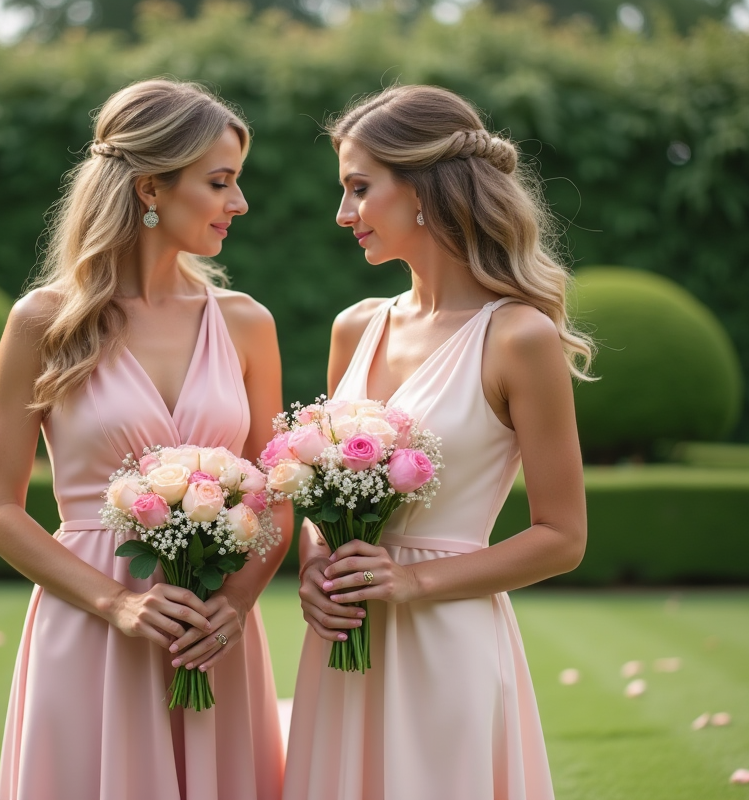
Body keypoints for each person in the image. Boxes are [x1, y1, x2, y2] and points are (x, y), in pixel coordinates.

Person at [0, 79, 288, 800]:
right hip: (90, 627)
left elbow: (274, 494)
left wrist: (236, 603)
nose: (239, 202)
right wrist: (115, 603)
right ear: (151, 188)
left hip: (212, 635)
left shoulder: (246, 323)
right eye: (220, 182)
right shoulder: (44, 322)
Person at [284, 85, 592, 800]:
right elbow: (324, 498)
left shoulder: (518, 338)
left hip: (447, 645)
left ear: (423, 189)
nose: (343, 214)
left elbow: (562, 537)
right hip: (342, 643)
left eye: (360, 188)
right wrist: (314, 566)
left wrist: (415, 581)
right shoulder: (355, 328)